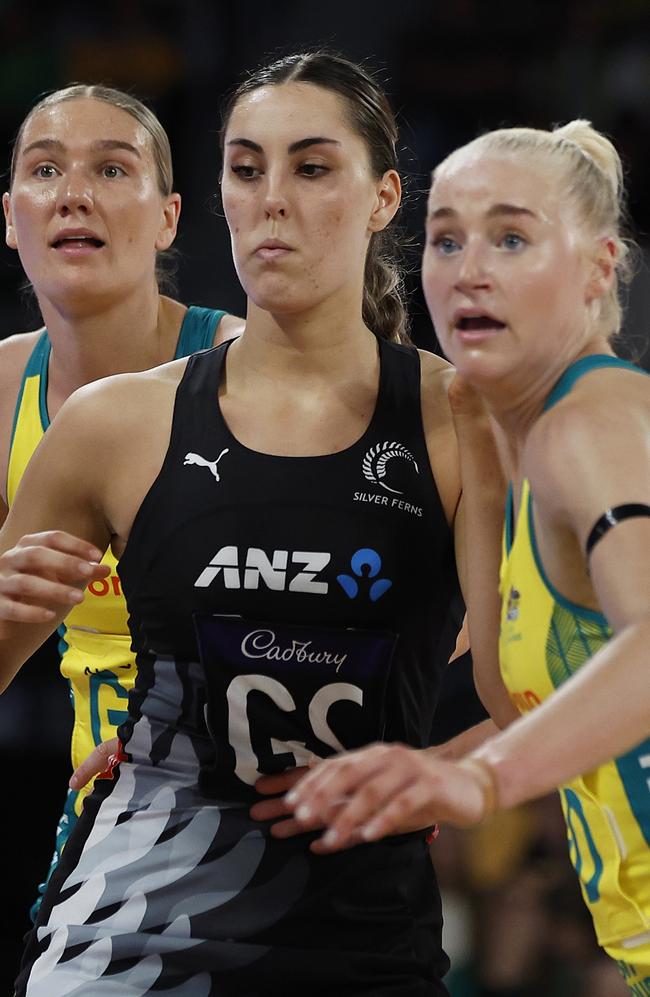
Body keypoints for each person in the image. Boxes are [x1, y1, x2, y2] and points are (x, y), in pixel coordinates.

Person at [0, 51, 485, 994]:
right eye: (245, 167)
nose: (272, 200)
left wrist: (459, 770)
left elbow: (544, 664)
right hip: (131, 920)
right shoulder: (111, 422)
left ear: (385, 196)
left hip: (365, 934)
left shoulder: (467, 420)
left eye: (310, 168)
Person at [283, 121, 650, 991]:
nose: (469, 268)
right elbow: (547, 707)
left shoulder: (590, 425)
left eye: (512, 238)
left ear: (598, 268)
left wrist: (480, 784)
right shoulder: (522, 445)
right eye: (446, 239)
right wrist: (405, 778)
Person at [0, 83, 243, 917]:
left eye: (112, 168)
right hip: (110, 842)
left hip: (272, 823)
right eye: (45, 170)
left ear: (170, 217)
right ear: (9, 216)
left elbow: (444, 596)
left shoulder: (252, 369)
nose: (73, 192)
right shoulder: (2, 394)